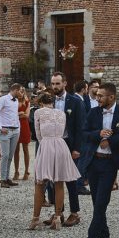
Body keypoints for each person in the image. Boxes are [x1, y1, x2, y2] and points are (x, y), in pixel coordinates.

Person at [77, 82, 119, 238]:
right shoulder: (93, 111)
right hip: (93, 162)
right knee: (97, 203)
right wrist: (98, 134)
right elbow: (83, 133)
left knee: (101, 203)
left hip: (110, 163)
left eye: (101, 96)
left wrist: (111, 140)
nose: (97, 98)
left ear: (111, 97)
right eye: (96, 95)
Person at [29, 92, 83, 230]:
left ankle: (35, 219)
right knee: (59, 182)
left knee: (40, 183)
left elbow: (37, 134)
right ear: (52, 102)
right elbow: (64, 132)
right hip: (61, 145)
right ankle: (58, 218)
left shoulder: (38, 112)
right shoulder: (61, 113)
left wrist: (45, 144)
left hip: (46, 144)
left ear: (40, 103)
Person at [48, 72, 87, 225]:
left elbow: (80, 127)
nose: (55, 86)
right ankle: (58, 212)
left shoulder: (75, 102)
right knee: (54, 179)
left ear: (64, 83)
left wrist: (77, 148)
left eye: (57, 83)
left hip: (69, 144)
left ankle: (75, 213)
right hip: (53, 145)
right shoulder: (49, 100)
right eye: (53, 84)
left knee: (70, 180)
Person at [0, 84, 24, 188]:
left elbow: (13, 115)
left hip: (15, 130)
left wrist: (18, 127)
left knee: (10, 156)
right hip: (5, 131)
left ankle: (7, 177)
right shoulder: (3, 99)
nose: (22, 93)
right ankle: (2, 179)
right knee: (5, 155)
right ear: (15, 90)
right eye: (20, 91)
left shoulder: (16, 101)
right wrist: (0, 126)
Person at [13, 87, 32, 181]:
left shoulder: (27, 102)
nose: (21, 93)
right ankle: (16, 171)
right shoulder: (14, 101)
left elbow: (27, 115)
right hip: (15, 126)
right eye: (19, 91)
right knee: (15, 150)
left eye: (22, 91)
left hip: (24, 126)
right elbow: (11, 114)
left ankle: (26, 171)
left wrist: (18, 114)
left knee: (25, 149)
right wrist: (20, 113)